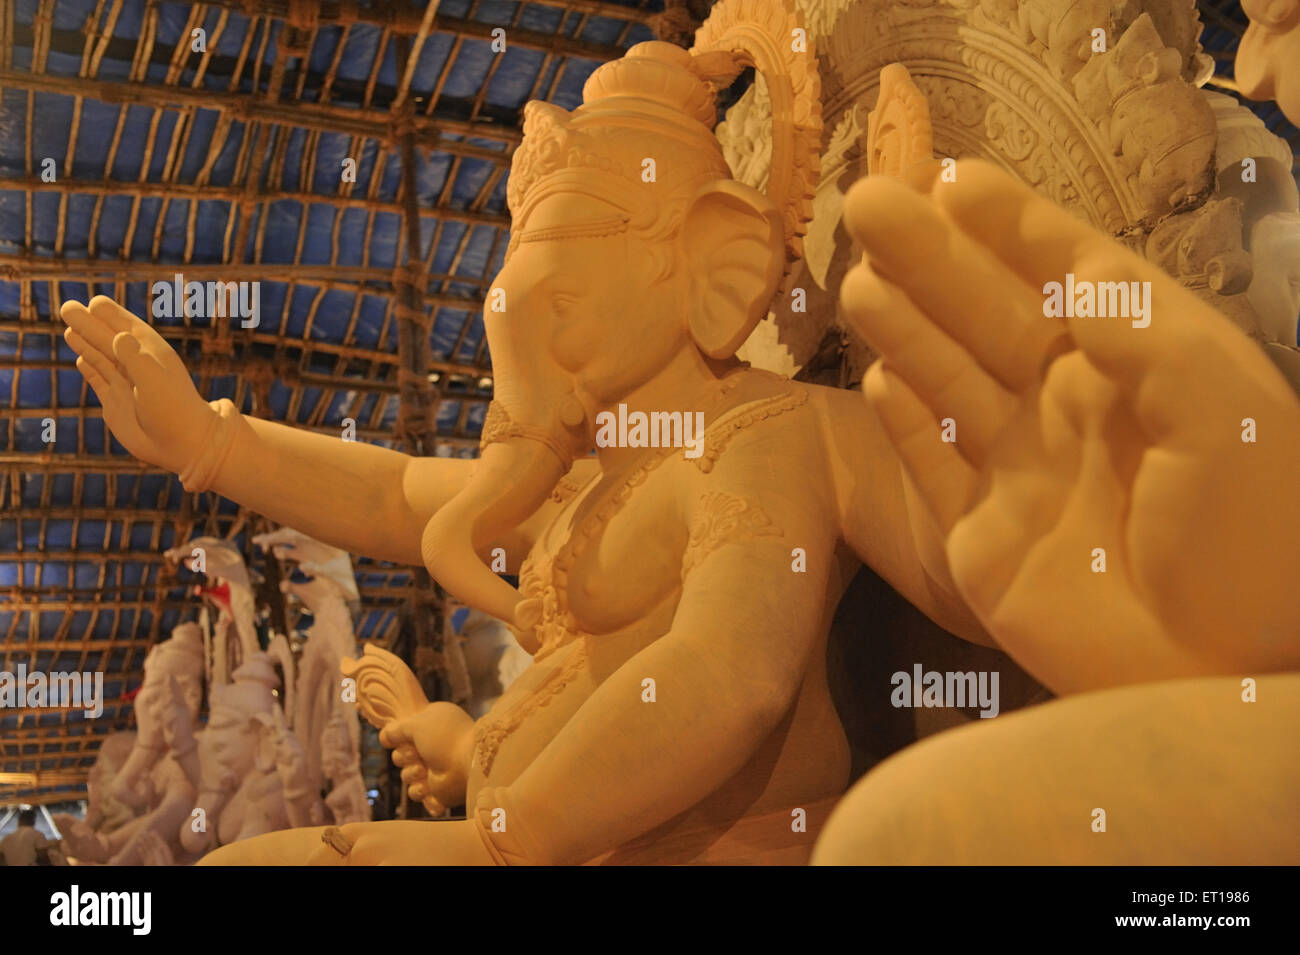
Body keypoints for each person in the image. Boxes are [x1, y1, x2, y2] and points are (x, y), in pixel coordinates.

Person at [0, 808, 67, 866]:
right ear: (33, 821)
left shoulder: (6, 839)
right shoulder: (36, 834)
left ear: (19, 821)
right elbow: (43, 857)